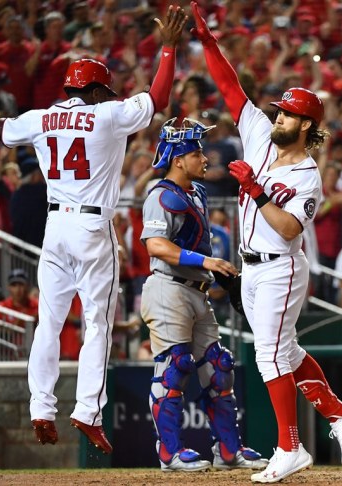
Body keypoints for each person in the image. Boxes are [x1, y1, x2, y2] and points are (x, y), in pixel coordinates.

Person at [0, 6, 187, 454]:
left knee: (49, 320)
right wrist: (169, 47)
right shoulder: (107, 114)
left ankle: (41, 409)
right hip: (90, 225)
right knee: (97, 324)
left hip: (55, 226)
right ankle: (87, 411)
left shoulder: (42, 117)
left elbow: (2, 128)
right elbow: (157, 98)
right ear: (99, 87)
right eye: (106, 89)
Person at [191, 3, 342, 482]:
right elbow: (231, 88)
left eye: (288, 113)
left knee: (268, 355)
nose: (279, 116)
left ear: (305, 125)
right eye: (280, 110)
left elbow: (290, 229)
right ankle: (339, 414)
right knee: (285, 353)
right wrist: (208, 42)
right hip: (251, 266)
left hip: (282, 266)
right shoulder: (259, 137)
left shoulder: (308, 175)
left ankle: (291, 448)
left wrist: (256, 190)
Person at [140, 118, 267, 472]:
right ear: (178, 159)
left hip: (196, 290)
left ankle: (229, 452)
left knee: (218, 367)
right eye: (196, 152)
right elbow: (156, 245)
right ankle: (170, 453)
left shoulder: (196, 192)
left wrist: (219, 271)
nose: (205, 157)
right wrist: (207, 260)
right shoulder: (160, 194)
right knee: (175, 368)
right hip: (168, 288)